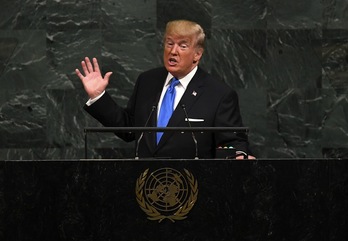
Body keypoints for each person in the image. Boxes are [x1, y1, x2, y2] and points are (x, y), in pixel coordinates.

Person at [76, 19, 255, 159]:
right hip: (146, 186)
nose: (173, 51)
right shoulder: (148, 81)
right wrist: (99, 96)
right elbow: (129, 129)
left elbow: (233, 142)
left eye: (182, 45)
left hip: (193, 187)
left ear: (197, 54)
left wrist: (238, 155)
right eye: (169, 43)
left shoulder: (218, 94)